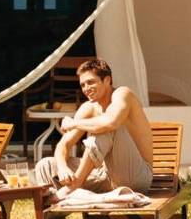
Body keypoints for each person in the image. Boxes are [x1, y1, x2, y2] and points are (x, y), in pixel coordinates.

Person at [35, 58, 153, 199]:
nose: (86, 88)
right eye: (83, 84)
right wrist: (62, 167)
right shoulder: (88, 107)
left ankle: (73, 188)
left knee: (104, 127)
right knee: (45, 165)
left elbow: (111, 123)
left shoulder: (123, 94)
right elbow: (64, 144)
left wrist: (74, 124)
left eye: (91, 82)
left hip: (136, 176)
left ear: (107, 80)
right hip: (104, 175)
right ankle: (51, 217)